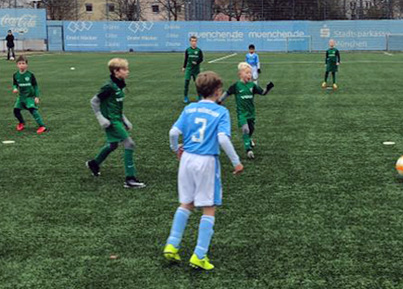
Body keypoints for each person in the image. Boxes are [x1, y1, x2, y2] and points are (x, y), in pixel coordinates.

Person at [164, 71, 244, 271]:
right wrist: (236, 161)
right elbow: (223, 139)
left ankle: (172, 245)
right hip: (206, 161)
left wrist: (176, 149)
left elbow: (173, 132)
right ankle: (199, 254)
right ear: (217, 91)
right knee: (209, 207)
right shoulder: (221, 112)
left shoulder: (189, 108)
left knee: (187, 203)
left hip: (187, 160)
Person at [86, 58, 146, 189]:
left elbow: (116, 105)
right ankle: (130, 179)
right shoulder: (109, 87)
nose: (127, 72)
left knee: (113, 145)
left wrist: (124, 119)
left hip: (117, 119)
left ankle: (94, 163)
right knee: (129, 144)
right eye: (124, 69)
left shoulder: (120, 84)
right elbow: (94, 101)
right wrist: (100, 118)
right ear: (116, 72)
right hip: (111, 122)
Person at [219, 62, 274, 159]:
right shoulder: (236, 86)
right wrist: (219, 100)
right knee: (245, 129)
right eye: (247, 73)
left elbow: (263, 93)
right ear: (240, 74)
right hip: (241, 113)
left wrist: (268, 88)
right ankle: (248, 149)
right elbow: (227, 93)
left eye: (250, 73)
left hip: (251, 112)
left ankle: (248, 138)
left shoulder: (252, 85)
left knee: (251, 129)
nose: (249, 75)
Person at [12, 55, 48, 134]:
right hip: (21, 97)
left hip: (30, 97)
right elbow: (15, 84)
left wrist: (36, 97)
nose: (22, 65)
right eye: (20, 63)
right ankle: (21, 123)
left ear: (26, 65)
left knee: (33, 110)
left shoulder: (30, 75)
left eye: (23, 63)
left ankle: (42, 126)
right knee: (16, 110)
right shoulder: (15, 75)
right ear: (17, 65)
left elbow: (35, 86)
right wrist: (14, 88)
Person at [182, 36, 204, 104]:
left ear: (196, 42)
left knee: (198, 84)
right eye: (192, 41)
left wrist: (196, 62)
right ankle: (185, 97)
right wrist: (184, 67)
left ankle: (199, 97)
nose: (193, 42)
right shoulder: (187, 50)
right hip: (189, 69)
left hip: (196, 70)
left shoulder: (199, 50)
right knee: (186, 83)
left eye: (195, 41)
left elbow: (201, 59)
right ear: (190, 42)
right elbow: (186, 59)